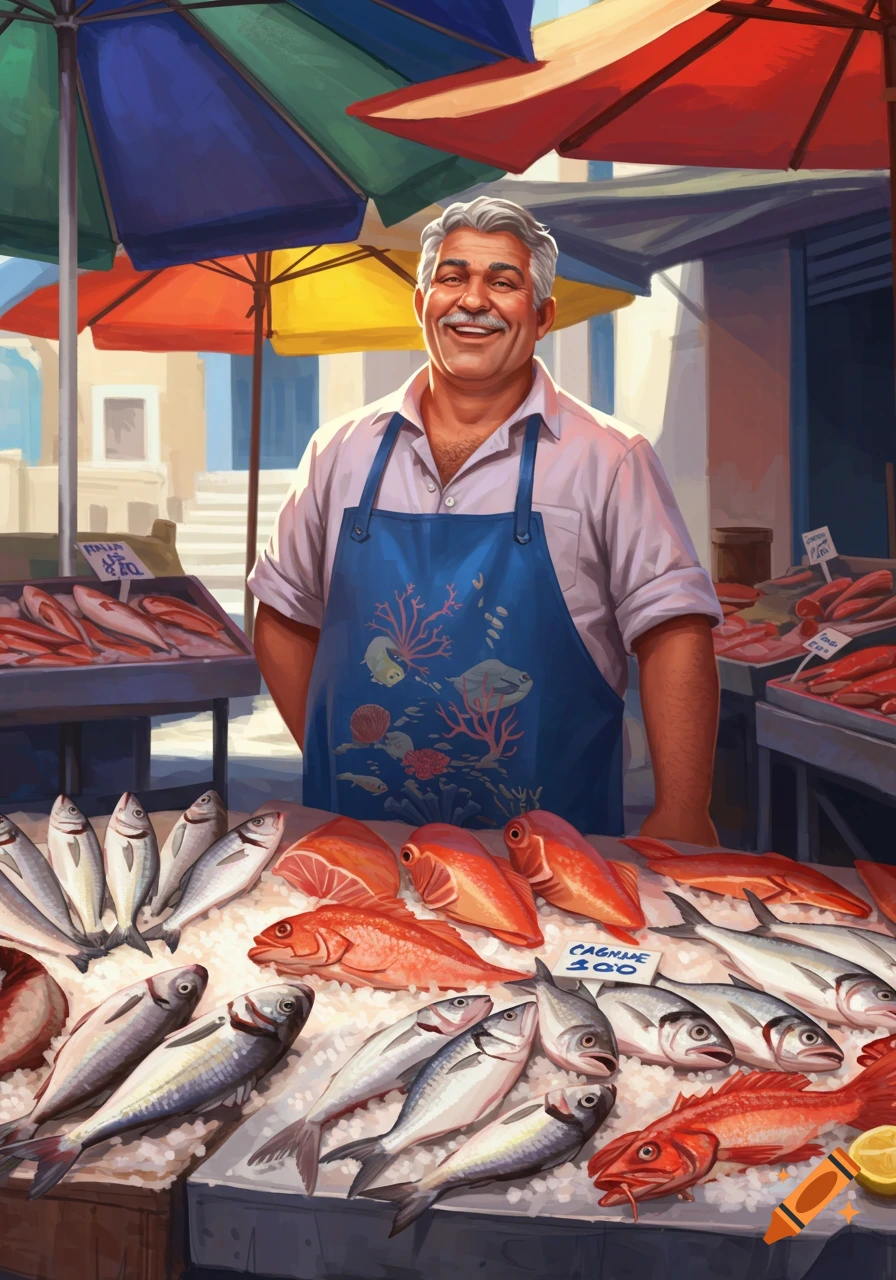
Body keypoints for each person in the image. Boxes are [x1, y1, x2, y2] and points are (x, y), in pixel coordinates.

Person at [249, 196, 721, 842]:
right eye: (452, 277)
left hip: (555, 850)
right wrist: (339, 748)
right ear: (421, 305)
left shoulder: (610, 459)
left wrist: (685, 808)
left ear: (542, 315)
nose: (473, 300)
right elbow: (282, 614)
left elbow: (674, 629)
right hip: (366, 844)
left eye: (503, 282)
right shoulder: (339, 452)